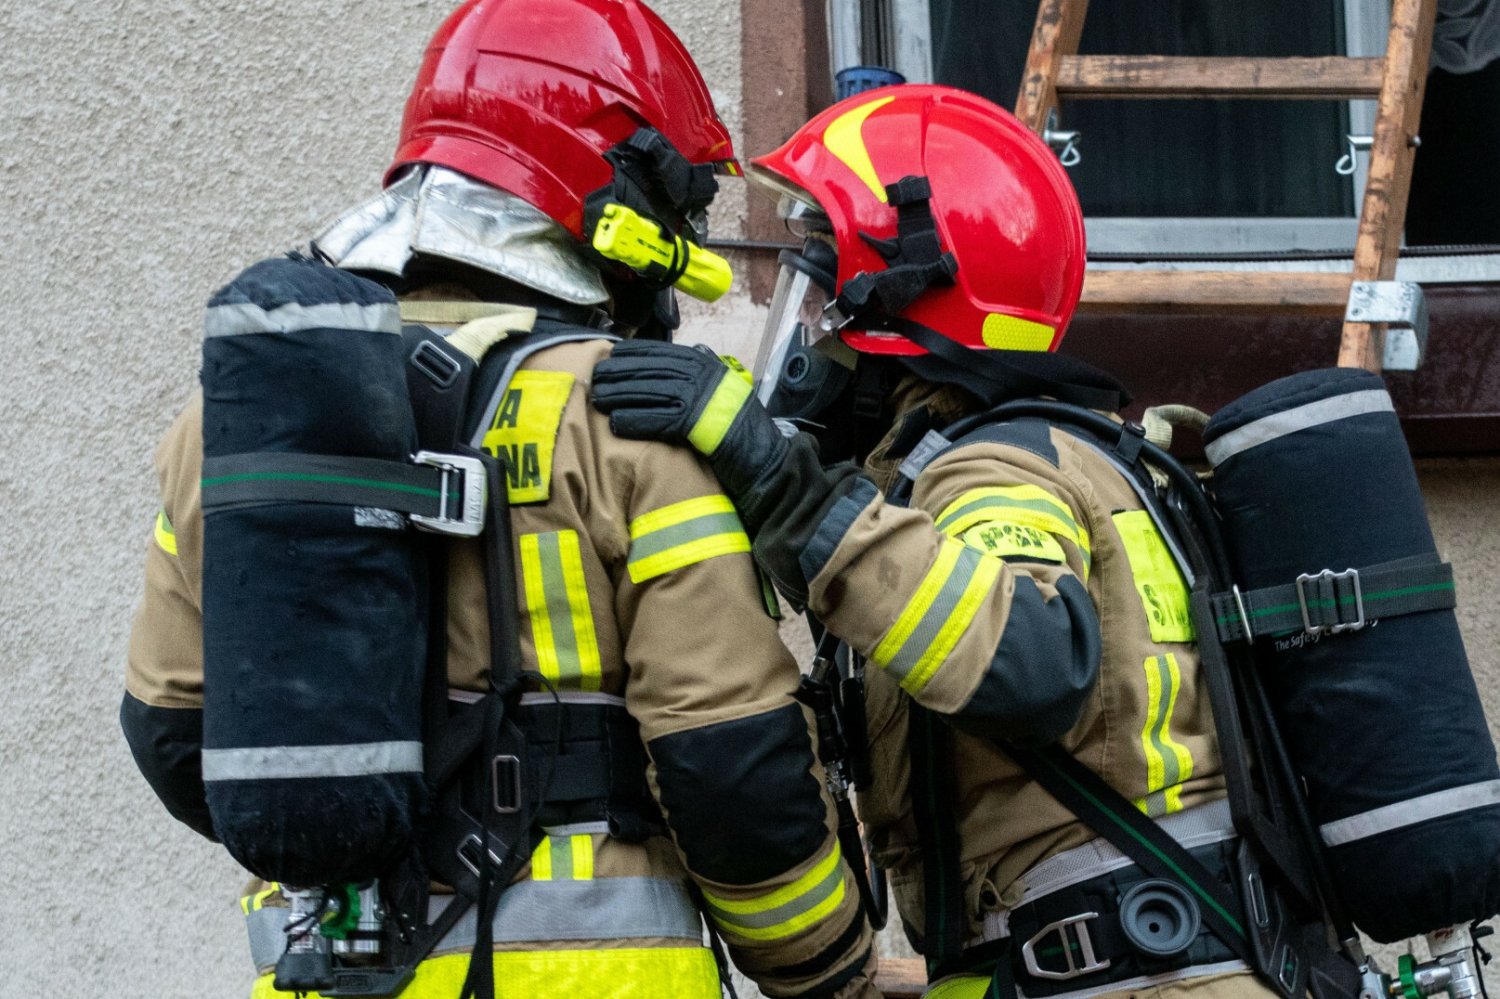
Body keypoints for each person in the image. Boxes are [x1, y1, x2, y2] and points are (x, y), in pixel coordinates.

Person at [120, 2, 878, 996]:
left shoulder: (233, 423)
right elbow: (728, 761)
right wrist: (823, 962)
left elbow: (171, 728)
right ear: (612, 193)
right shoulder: (625, 423)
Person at [591, 84, 1344, 999]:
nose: (803, 344)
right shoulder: (1023, 460)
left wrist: (776, 475)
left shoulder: (993, 471)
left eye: (823, 304)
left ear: (904, 313)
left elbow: (1030, 660)